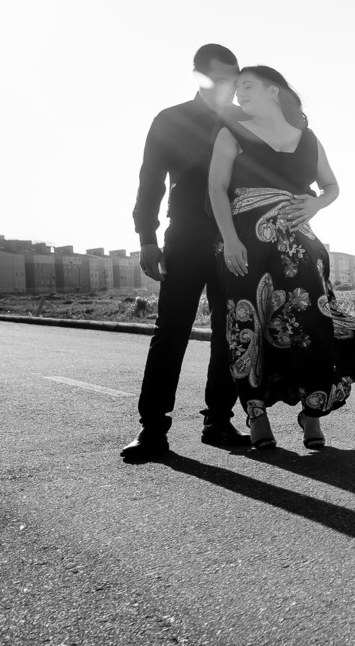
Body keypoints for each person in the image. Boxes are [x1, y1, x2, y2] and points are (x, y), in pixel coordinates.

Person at [207, 66, 355, 449]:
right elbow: (217, 188)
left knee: (312, 323)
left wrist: (316, 203)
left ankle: (311, 413)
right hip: (244, 245)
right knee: (247, 324)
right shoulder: (231, 132)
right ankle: (257, 415)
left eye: (247, 86)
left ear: (273, 91)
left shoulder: (307, 139)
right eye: (237, 88)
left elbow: (331, 186)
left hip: (300, 248)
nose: (239, 93)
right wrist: (230, 240)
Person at [121, 44, 253, 461]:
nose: (229, 86)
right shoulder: (171, 119)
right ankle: (152, 429)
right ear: (199, 76)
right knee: (171, 330)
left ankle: (218, 420)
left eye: (234, 78)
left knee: (229, 332)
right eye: (221, 78)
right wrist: (147, 237)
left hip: (234, 239)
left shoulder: (245, 121)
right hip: (186, 237)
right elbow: (150, 181)